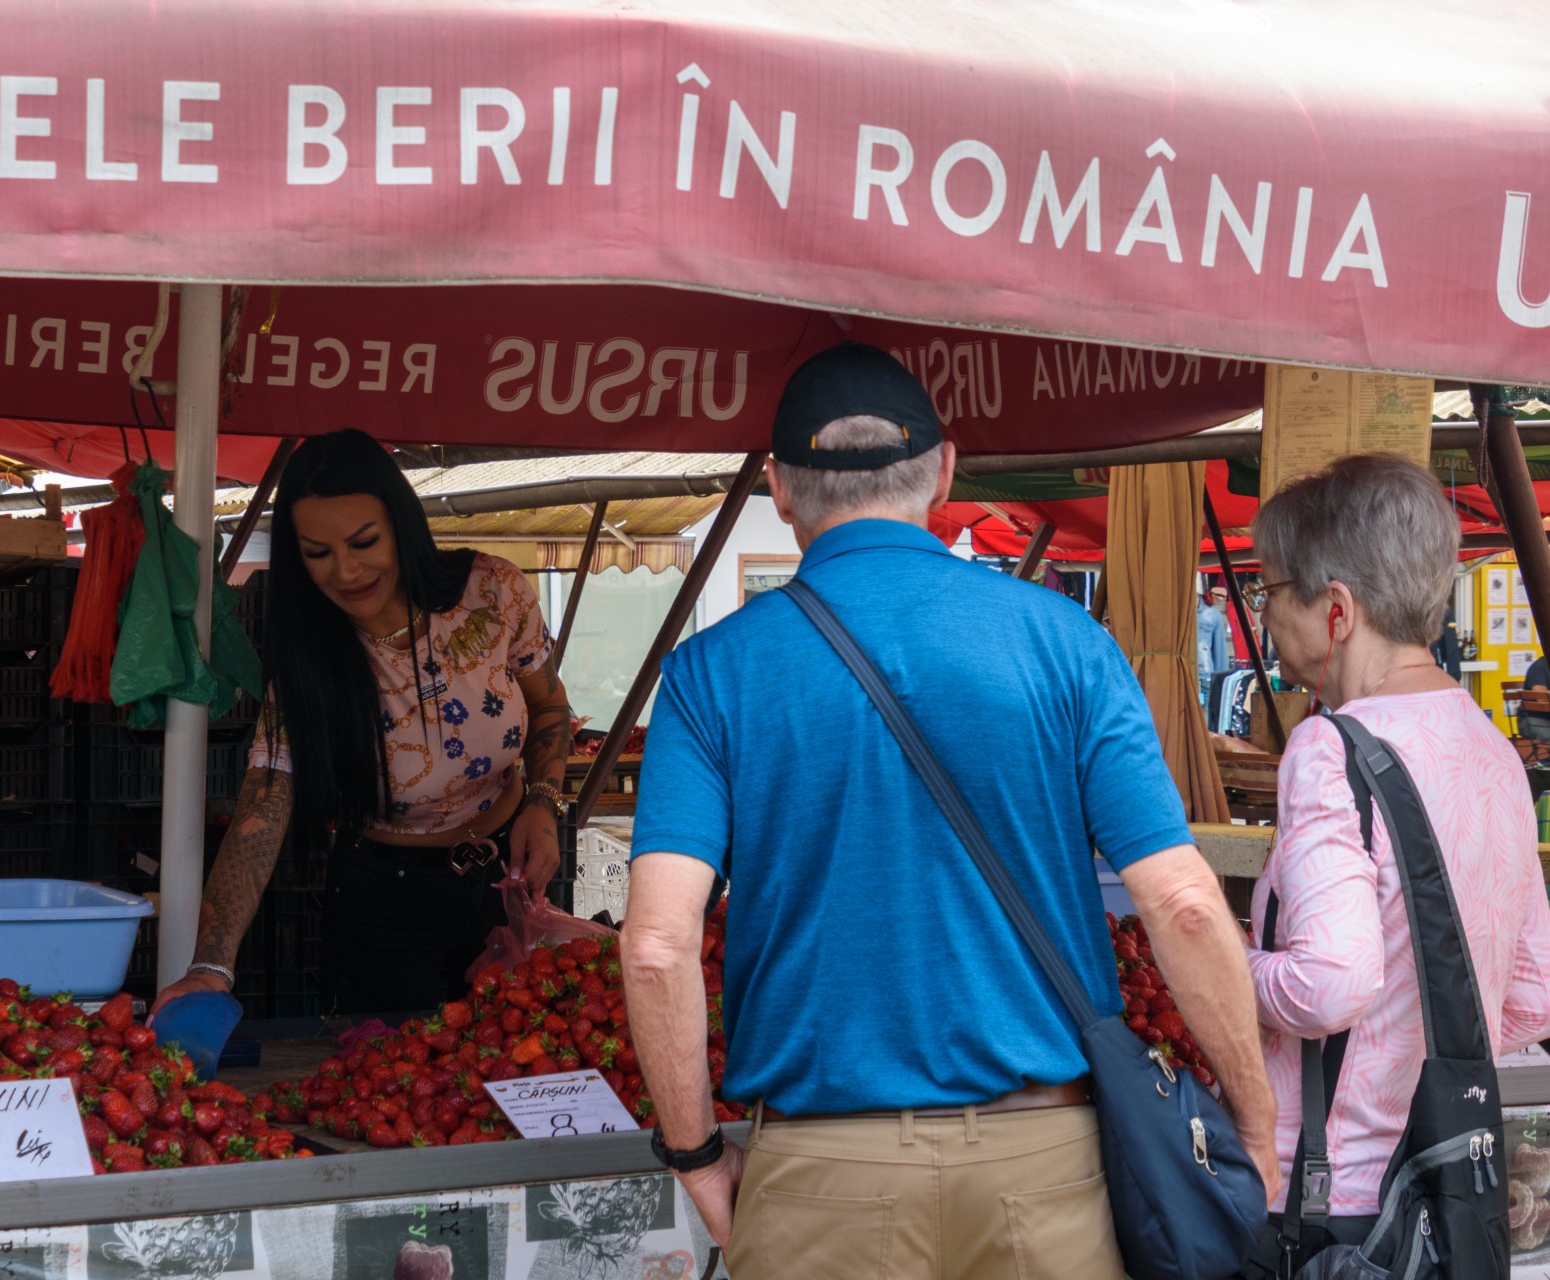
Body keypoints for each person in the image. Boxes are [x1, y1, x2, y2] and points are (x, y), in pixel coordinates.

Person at [621, 343, 1279, 1280]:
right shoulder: (1067, 642)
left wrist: (693, 1156)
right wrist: (1254, 1118)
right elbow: (1183, 904)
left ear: (778, 487)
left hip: (818, 1182)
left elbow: (655, 947)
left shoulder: (709, 672)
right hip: (1046, 1174)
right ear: (943, 472)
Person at [153, 429, 576, 1016]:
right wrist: (211, 965)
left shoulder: (491, 591)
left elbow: (550, 707)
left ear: (402, 524)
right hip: (382, 903)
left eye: (364, 541)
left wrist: (543, 805)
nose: (347, 571)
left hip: (510, 875)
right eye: (318, 553)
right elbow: (263, 810)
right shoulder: (306, 655)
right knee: (390, 1065)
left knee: (522, 1053)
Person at [1245, 453, 1550, 1253]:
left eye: (1270, 589)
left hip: (1329, 1201)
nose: (1264, 614)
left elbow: (1327, 985)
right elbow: (1531, 995)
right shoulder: (1493, 748)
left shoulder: (1330, 748)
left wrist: (1226, 966)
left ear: (1336, 609)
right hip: (1442, 1187)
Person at [1199, 583, 1232, 707]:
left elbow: (1219, 650)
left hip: (1204, 675)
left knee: (1205, 716)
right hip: (1183, 675)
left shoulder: (1212, 615)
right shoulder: (1176, 613)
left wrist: (1221, 680)